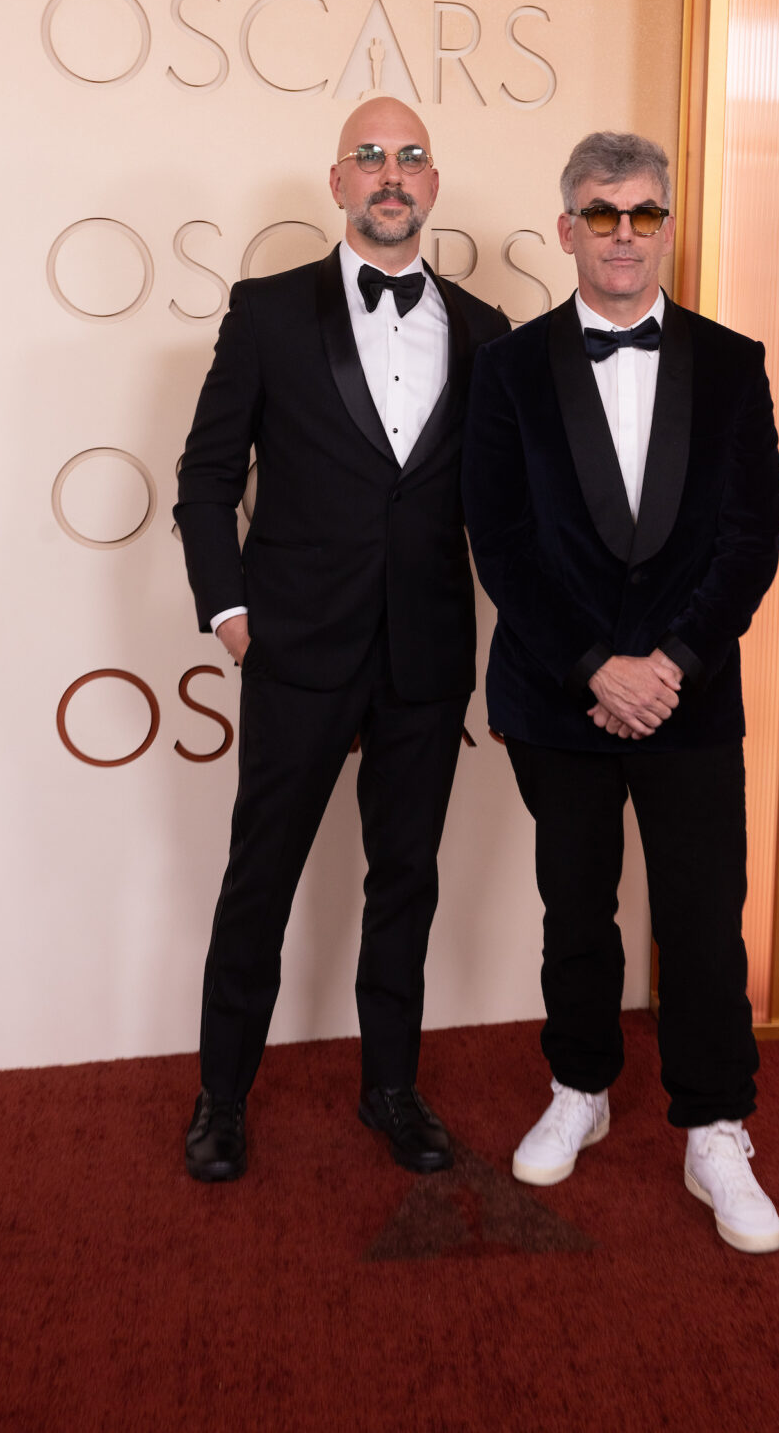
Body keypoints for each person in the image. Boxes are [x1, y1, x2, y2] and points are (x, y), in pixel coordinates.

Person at [462, 132, 779, 1253]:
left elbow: (750, 536)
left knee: (703, 919)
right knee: (576, 908)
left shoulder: (733, 362)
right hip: (560, 696)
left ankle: (713, 1124)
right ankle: (581, 1085)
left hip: (690, 695)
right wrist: (593, 665)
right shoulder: (507, 370)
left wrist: (670, 665)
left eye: (642, 214)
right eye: (599, 214)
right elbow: (498, 538)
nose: (621, 234)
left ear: (664, 225)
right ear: (566, 229)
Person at [175, 98, 508, 1182]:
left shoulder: (484, 330)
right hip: (296, 650)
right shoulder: (268, 312)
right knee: (258, 877)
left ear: (433, 184)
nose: (390, 174)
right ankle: (221, 1099)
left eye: (409, 156)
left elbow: (505, 507)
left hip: (423, 656)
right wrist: (231, 619)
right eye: (369, 156)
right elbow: (206, 478)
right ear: (336, 182)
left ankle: (391, 1090)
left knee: (403, 879)